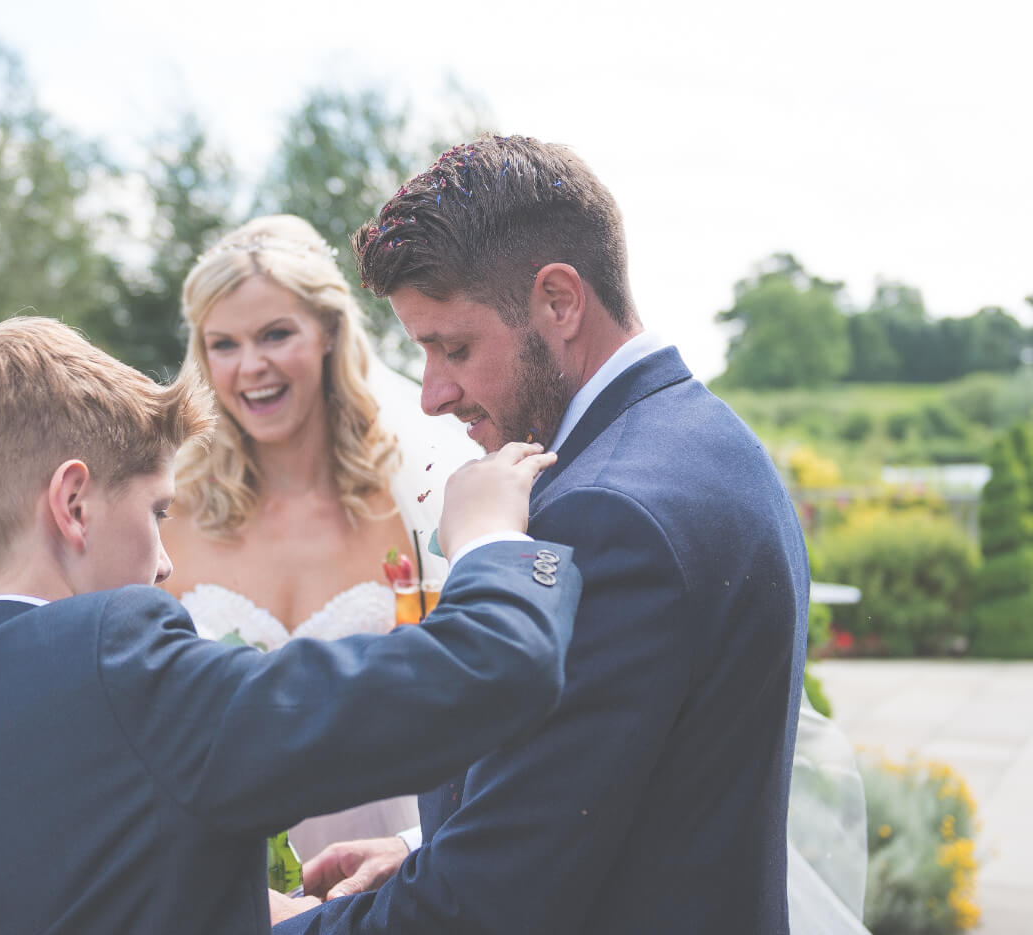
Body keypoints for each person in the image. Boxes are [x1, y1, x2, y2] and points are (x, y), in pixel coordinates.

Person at [0, 315, 583, 934]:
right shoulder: (116, 663)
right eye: (155, 510)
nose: (169, 563)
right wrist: (491, 538)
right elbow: (488, 668)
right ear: (72, 504)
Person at [274, 134, 867, 934]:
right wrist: (423, 847)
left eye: (454, 347)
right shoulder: (706, 437)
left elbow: (480, 911)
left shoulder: (604, 517)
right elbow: (616, 791)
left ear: (559, 300)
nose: (433, 395)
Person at [161, 214, 482, 859]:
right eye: (223, 344)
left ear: (331, 334)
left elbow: (479, 697)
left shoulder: (417, 494)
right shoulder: (166, 511)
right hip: (219, 877)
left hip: (404, 867)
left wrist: (418, 851)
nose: (251, 366)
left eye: (276, 335)